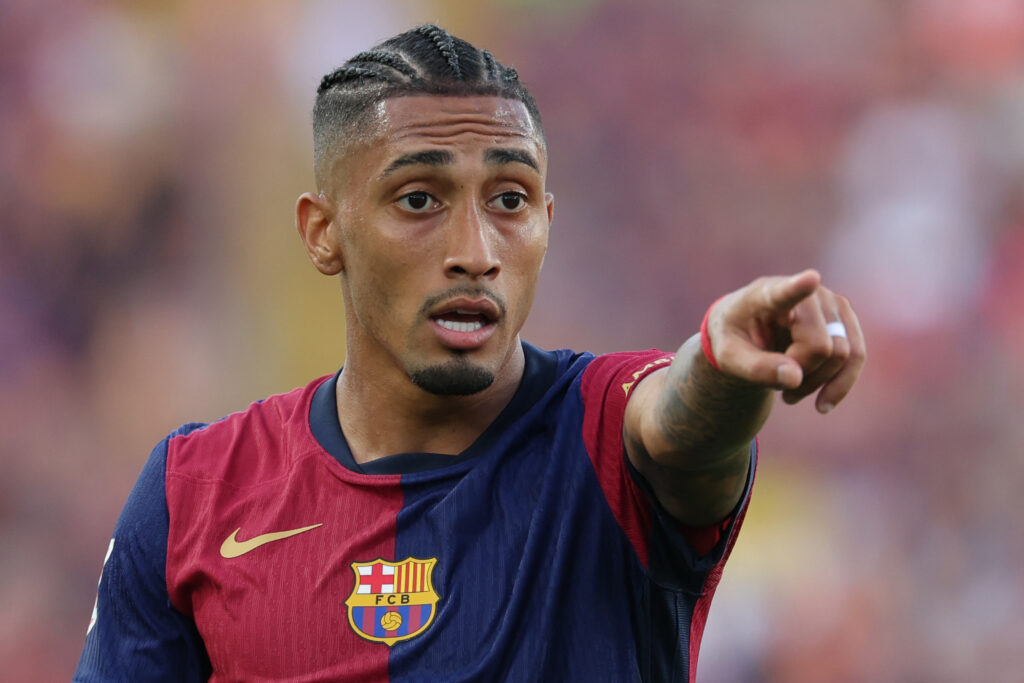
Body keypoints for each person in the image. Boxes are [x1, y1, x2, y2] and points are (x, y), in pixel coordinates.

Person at [74, 24, 865, 683]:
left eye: (510, 200)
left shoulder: (606, 429)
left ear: (549, 221)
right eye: (420, 199)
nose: (475, 250)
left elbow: (684, 424)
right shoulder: (195, 492)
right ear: (323, 232)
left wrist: (725, 366)